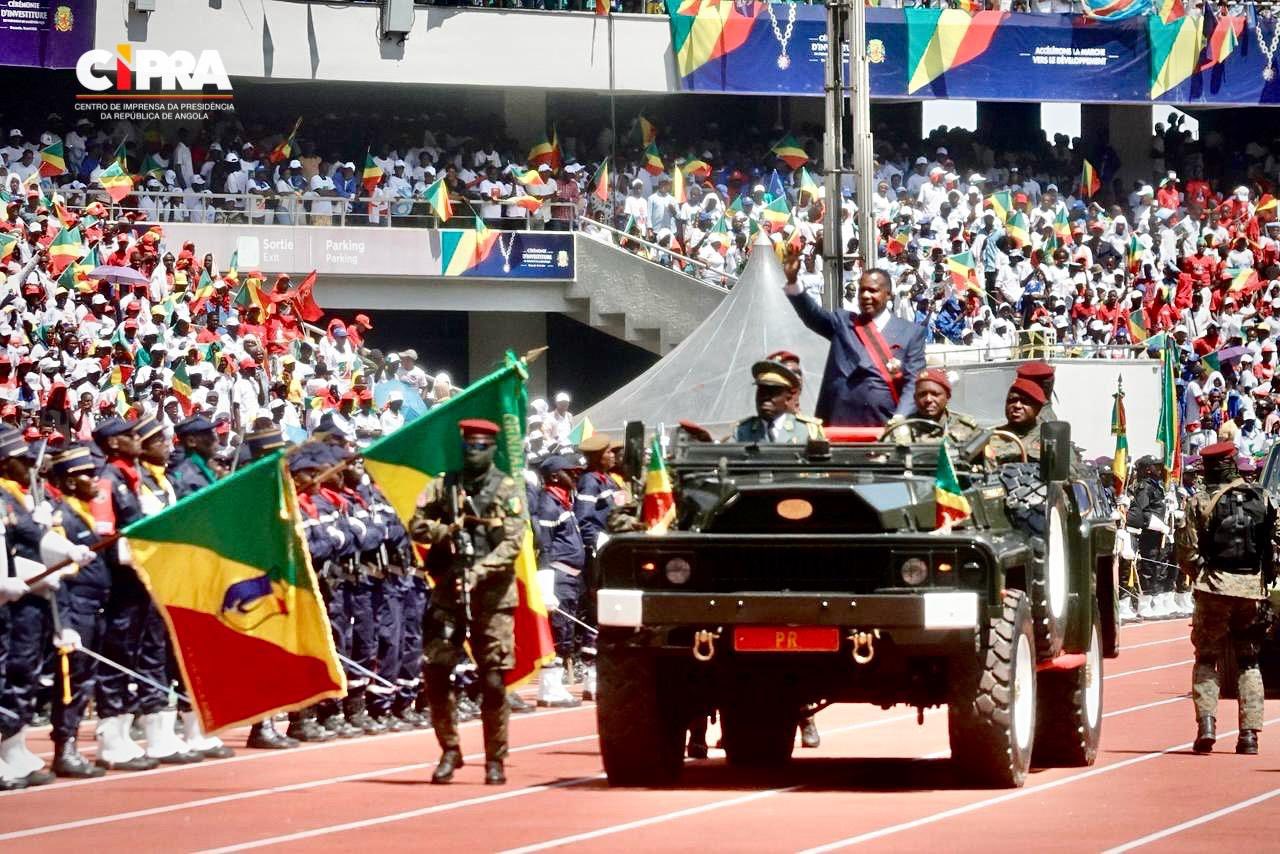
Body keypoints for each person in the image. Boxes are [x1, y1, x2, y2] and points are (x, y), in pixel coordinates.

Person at [411, 419, 525, 786]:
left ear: (492, 449)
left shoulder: (507, 489)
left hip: (493, 595)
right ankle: (449, 748)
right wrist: (446, 531)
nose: (474, 453)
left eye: (481, 447)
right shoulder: (445, 485)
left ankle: (496, 757)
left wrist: (480, 570)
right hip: (449, 591)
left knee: (492, 680)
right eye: (469, 447)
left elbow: (513, 542)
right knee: (436, 671)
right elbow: (416, 524)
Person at [1178, 441, 1274, 756]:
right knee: (1249, 662)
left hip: (1213, 590)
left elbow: (1187, 551)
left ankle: (1207, 725)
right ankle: (1249, 736)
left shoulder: (1199, 501)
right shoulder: (1263, 498)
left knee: (1207, 658)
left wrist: (1198, 573)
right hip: (1252, 591)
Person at [783, 255, 925, 427]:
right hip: (838, 422)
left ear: (889, 294)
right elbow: (812, 315)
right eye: (862, 290)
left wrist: (901, 416)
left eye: (872, 291)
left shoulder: (911, 333)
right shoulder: (843, 322)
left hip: (885, 425)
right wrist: (793, 281)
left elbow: (914, 381)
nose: (865, 295)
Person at [531, 453, 587, 709]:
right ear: (554, 476)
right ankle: (549, 686)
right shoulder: (548, 505)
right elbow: (545, 546)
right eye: (569, 472)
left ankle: (556, 684)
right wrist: (546, 585)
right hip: (558, 576)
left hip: (571, 577)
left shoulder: (563, 502)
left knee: (565, 630)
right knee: (557, 629)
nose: (575, 475)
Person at [1127, 456, 1179, 620]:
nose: (1161, 469)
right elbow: (1140, 511)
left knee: (1159, 566)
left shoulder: (1157, 486)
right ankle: (1144, 604)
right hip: (1149, 533)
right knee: (1149, 567)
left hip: (1159, 533)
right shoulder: (1145, 487)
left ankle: (1156, 602)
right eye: (1157, 466)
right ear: (1149, 469)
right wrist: (1155, 523)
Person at [731, 360, 825, 443]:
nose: (765, 397)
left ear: (787, 398)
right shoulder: (742, 432)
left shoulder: (806, 431)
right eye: (761, 391)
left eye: (773, 392)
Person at [883, 367, 980, 444]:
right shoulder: (898, 429)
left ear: (948, 396)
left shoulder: (966, 428)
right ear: (915, 398)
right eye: (922, 394)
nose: (928, 399)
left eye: (935, 394)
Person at [988, 378, 1046, 462]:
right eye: (1012, 401)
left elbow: (1069, 471)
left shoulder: (1048, 438)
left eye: (1025, 402)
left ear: (1038, 408)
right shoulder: (991, 436)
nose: (1017, 406)